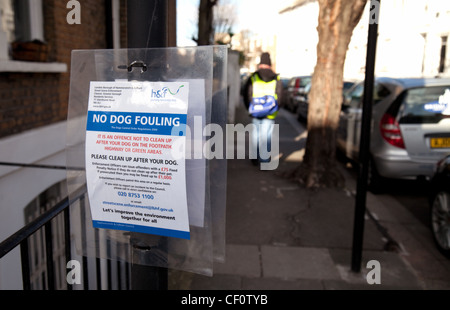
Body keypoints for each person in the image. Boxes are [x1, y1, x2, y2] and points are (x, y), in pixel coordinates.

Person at [242, 52, 283, 168]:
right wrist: (275, 108)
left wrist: (249, 107)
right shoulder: (276, 78)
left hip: (255, 112)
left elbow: (246, 94)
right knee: (267, 135)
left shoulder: (253, 77)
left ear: (260, 63)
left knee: (255, 135)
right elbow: (280, 96)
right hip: (270, 113)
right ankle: (264, 160)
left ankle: (255, 158)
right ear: (269, 64)